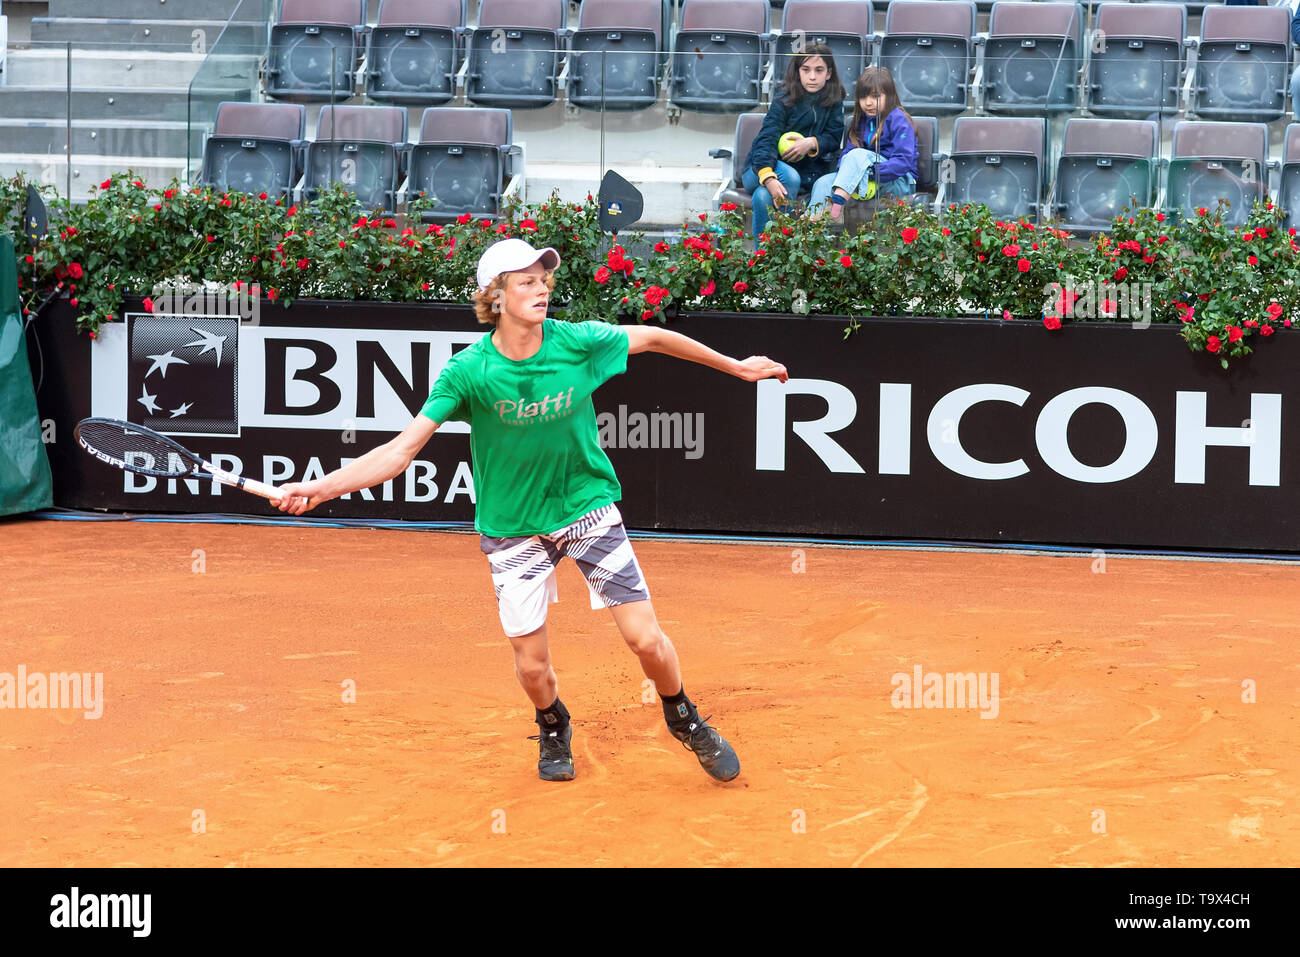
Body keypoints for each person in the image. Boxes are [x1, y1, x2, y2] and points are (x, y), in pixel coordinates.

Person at [272, 238, 789, 784]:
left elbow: (655, 336)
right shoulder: (468, 372)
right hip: (514, 529)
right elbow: (400, 451)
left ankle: (681, 713)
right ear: (495, 297)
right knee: (533, 667)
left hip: (586, 508)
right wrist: (322, 488)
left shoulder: (578, 342)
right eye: (526, 282)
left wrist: (736, 368)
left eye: (544, 279)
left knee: (646, 639)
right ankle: (552, 722)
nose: (541, 288)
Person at [741, 41, 846, 239]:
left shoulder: (834, 101)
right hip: (758, 169)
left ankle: (765, 260)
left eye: (819, 70)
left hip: (802, 174)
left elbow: (833, 138)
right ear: (798, 72)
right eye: (806, 70)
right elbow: (766, 140)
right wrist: (769, 177)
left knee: (763, 196)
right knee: (789, 177)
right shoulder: (783, 99)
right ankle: (788, 245)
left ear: (829, 73)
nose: (812, 76)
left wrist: (812, 143)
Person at [810, 66, 918, 221]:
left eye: (875, 96)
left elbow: (903, 162)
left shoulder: (899, 120)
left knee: (858, 155)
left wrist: (871, 172)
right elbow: (847, 155)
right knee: (823, 182)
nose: (868, 103)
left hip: (900, 181)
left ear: (890, 95)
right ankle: (809, 228)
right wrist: (849, 172)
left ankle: (836, 207)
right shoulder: (860, 121)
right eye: (863, 97)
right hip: (865, 177)